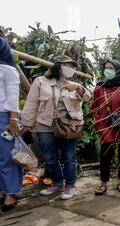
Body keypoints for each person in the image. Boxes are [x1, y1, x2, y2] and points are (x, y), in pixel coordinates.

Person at [21, 55, 90, 200]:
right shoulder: (41, 82)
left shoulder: (74, 85)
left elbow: (87, 97)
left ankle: (69, 185)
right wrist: (26, 125)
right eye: (67, 65)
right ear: (58, 66)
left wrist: (77, 87)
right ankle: (57, 182)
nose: (70, 69)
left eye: (72, 66)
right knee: (49, 158)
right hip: (44, 125)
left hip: (68, 126)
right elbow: (31, 104)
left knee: (69, 157)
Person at [90, 60, 120, 195]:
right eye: (106, 68)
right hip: (106, 129)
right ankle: (103, 183)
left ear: (118, 70)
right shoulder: (100, 88)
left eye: (111, 68)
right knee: (105, 156)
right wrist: (99, 123)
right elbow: (94, 109)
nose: (108, 70)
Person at [0, 38, 22, 212]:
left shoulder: (8, 70)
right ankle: (3, 189)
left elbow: (13, 97)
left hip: (5, 117)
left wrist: (13, 120)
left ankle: (11, 193)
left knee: (7, 156)